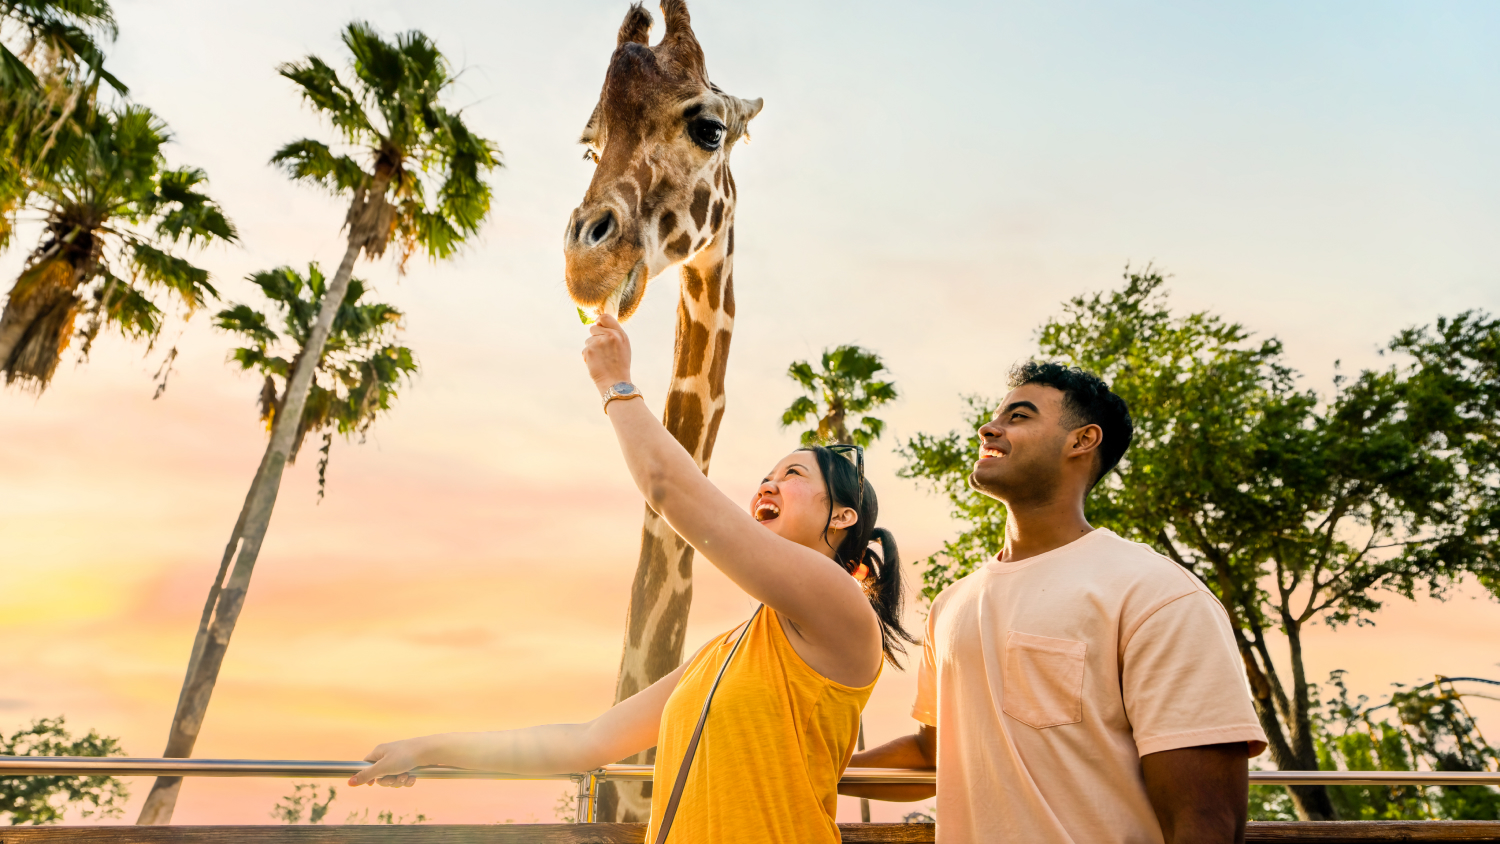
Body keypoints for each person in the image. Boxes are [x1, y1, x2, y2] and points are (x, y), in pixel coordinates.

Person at [349, 313, 915, 843]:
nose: (766, 486)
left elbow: (669, 489)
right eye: (764, 476)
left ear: (842, 517)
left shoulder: (839, 602)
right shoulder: (726, 654)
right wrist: (425, 748)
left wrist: (616, 384)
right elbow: (585, 742)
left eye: (791, 475)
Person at [843, 361, 1268, 844]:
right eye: (995, 415)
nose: (989, 427)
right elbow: (934, 755)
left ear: (1082, 441)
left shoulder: (1157, 594)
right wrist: (798, 763)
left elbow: (1207, 822)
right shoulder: (952, 603)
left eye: (1019, 416)